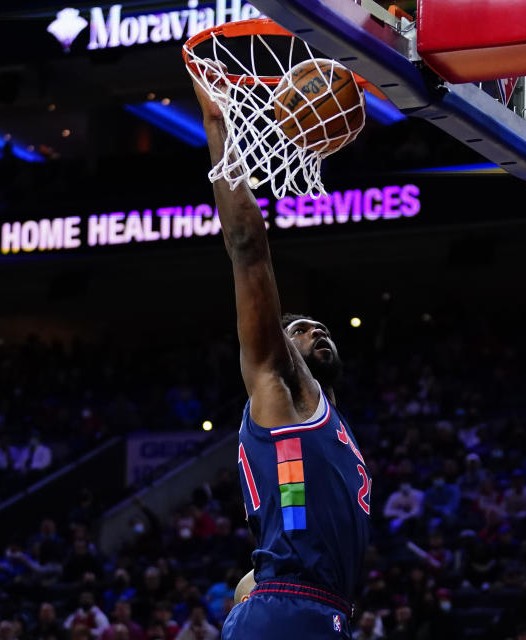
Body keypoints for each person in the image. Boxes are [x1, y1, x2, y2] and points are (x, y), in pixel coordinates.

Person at [190, 64, 372, 640]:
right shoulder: (281, 381)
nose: (317, 331)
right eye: (301, 329)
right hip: (292, 613)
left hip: (307, 612)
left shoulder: (329, 420)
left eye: (321, 326)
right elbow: (247, 249)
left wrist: (250, 599)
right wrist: (220, 128)